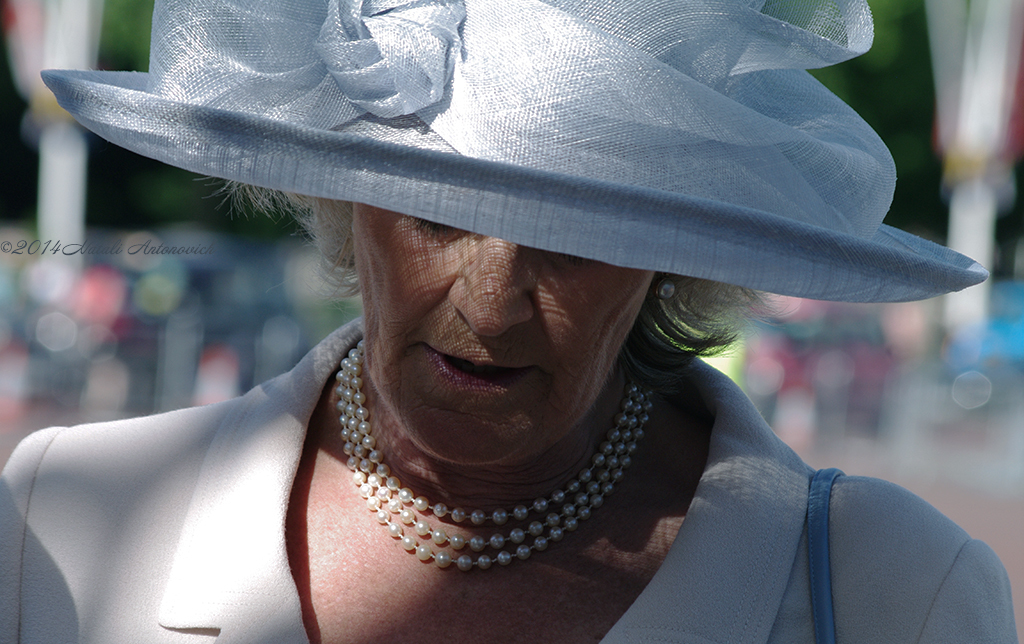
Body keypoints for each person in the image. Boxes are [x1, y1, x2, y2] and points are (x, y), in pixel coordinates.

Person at [1, 0, 1017, 641]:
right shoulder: (62, 515)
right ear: (347, 204)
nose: (491, 301)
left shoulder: (897, 587)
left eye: (575, 234)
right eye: (434, 211)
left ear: (673, 255)